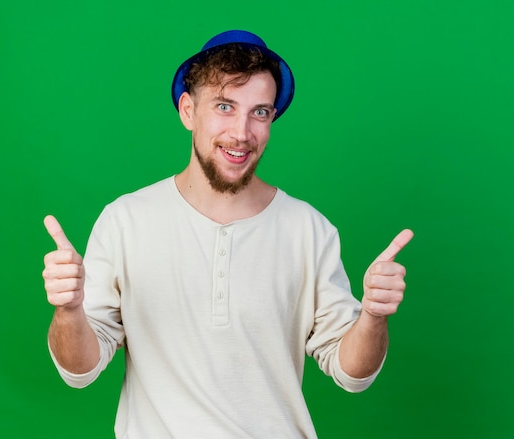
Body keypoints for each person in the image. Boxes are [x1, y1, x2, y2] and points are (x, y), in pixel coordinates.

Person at [42, 30, 413, 438]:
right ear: (188, 111)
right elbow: (79, 371)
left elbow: (352, 374)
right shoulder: (125, 221)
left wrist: (374, 317)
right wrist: (69, 310)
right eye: (224, 106)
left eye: (260, 112)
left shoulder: (309, 229)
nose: (241, 132)